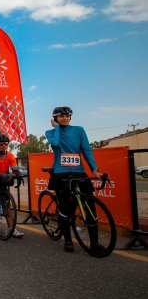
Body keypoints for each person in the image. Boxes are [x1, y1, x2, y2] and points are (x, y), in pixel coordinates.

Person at [45, 106, 105, 254]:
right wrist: (57, 128)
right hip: (61, 174)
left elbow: (86, 150)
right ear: (55, 118)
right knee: (65, 208)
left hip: (79, 172)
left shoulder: (79, 130)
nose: (65, 118)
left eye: (67, 116)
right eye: (61, 116)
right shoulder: (51, 132)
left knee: (90, 207)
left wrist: (95, 170)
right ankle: (68, 240)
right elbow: (56, 144)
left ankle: (94, 243)